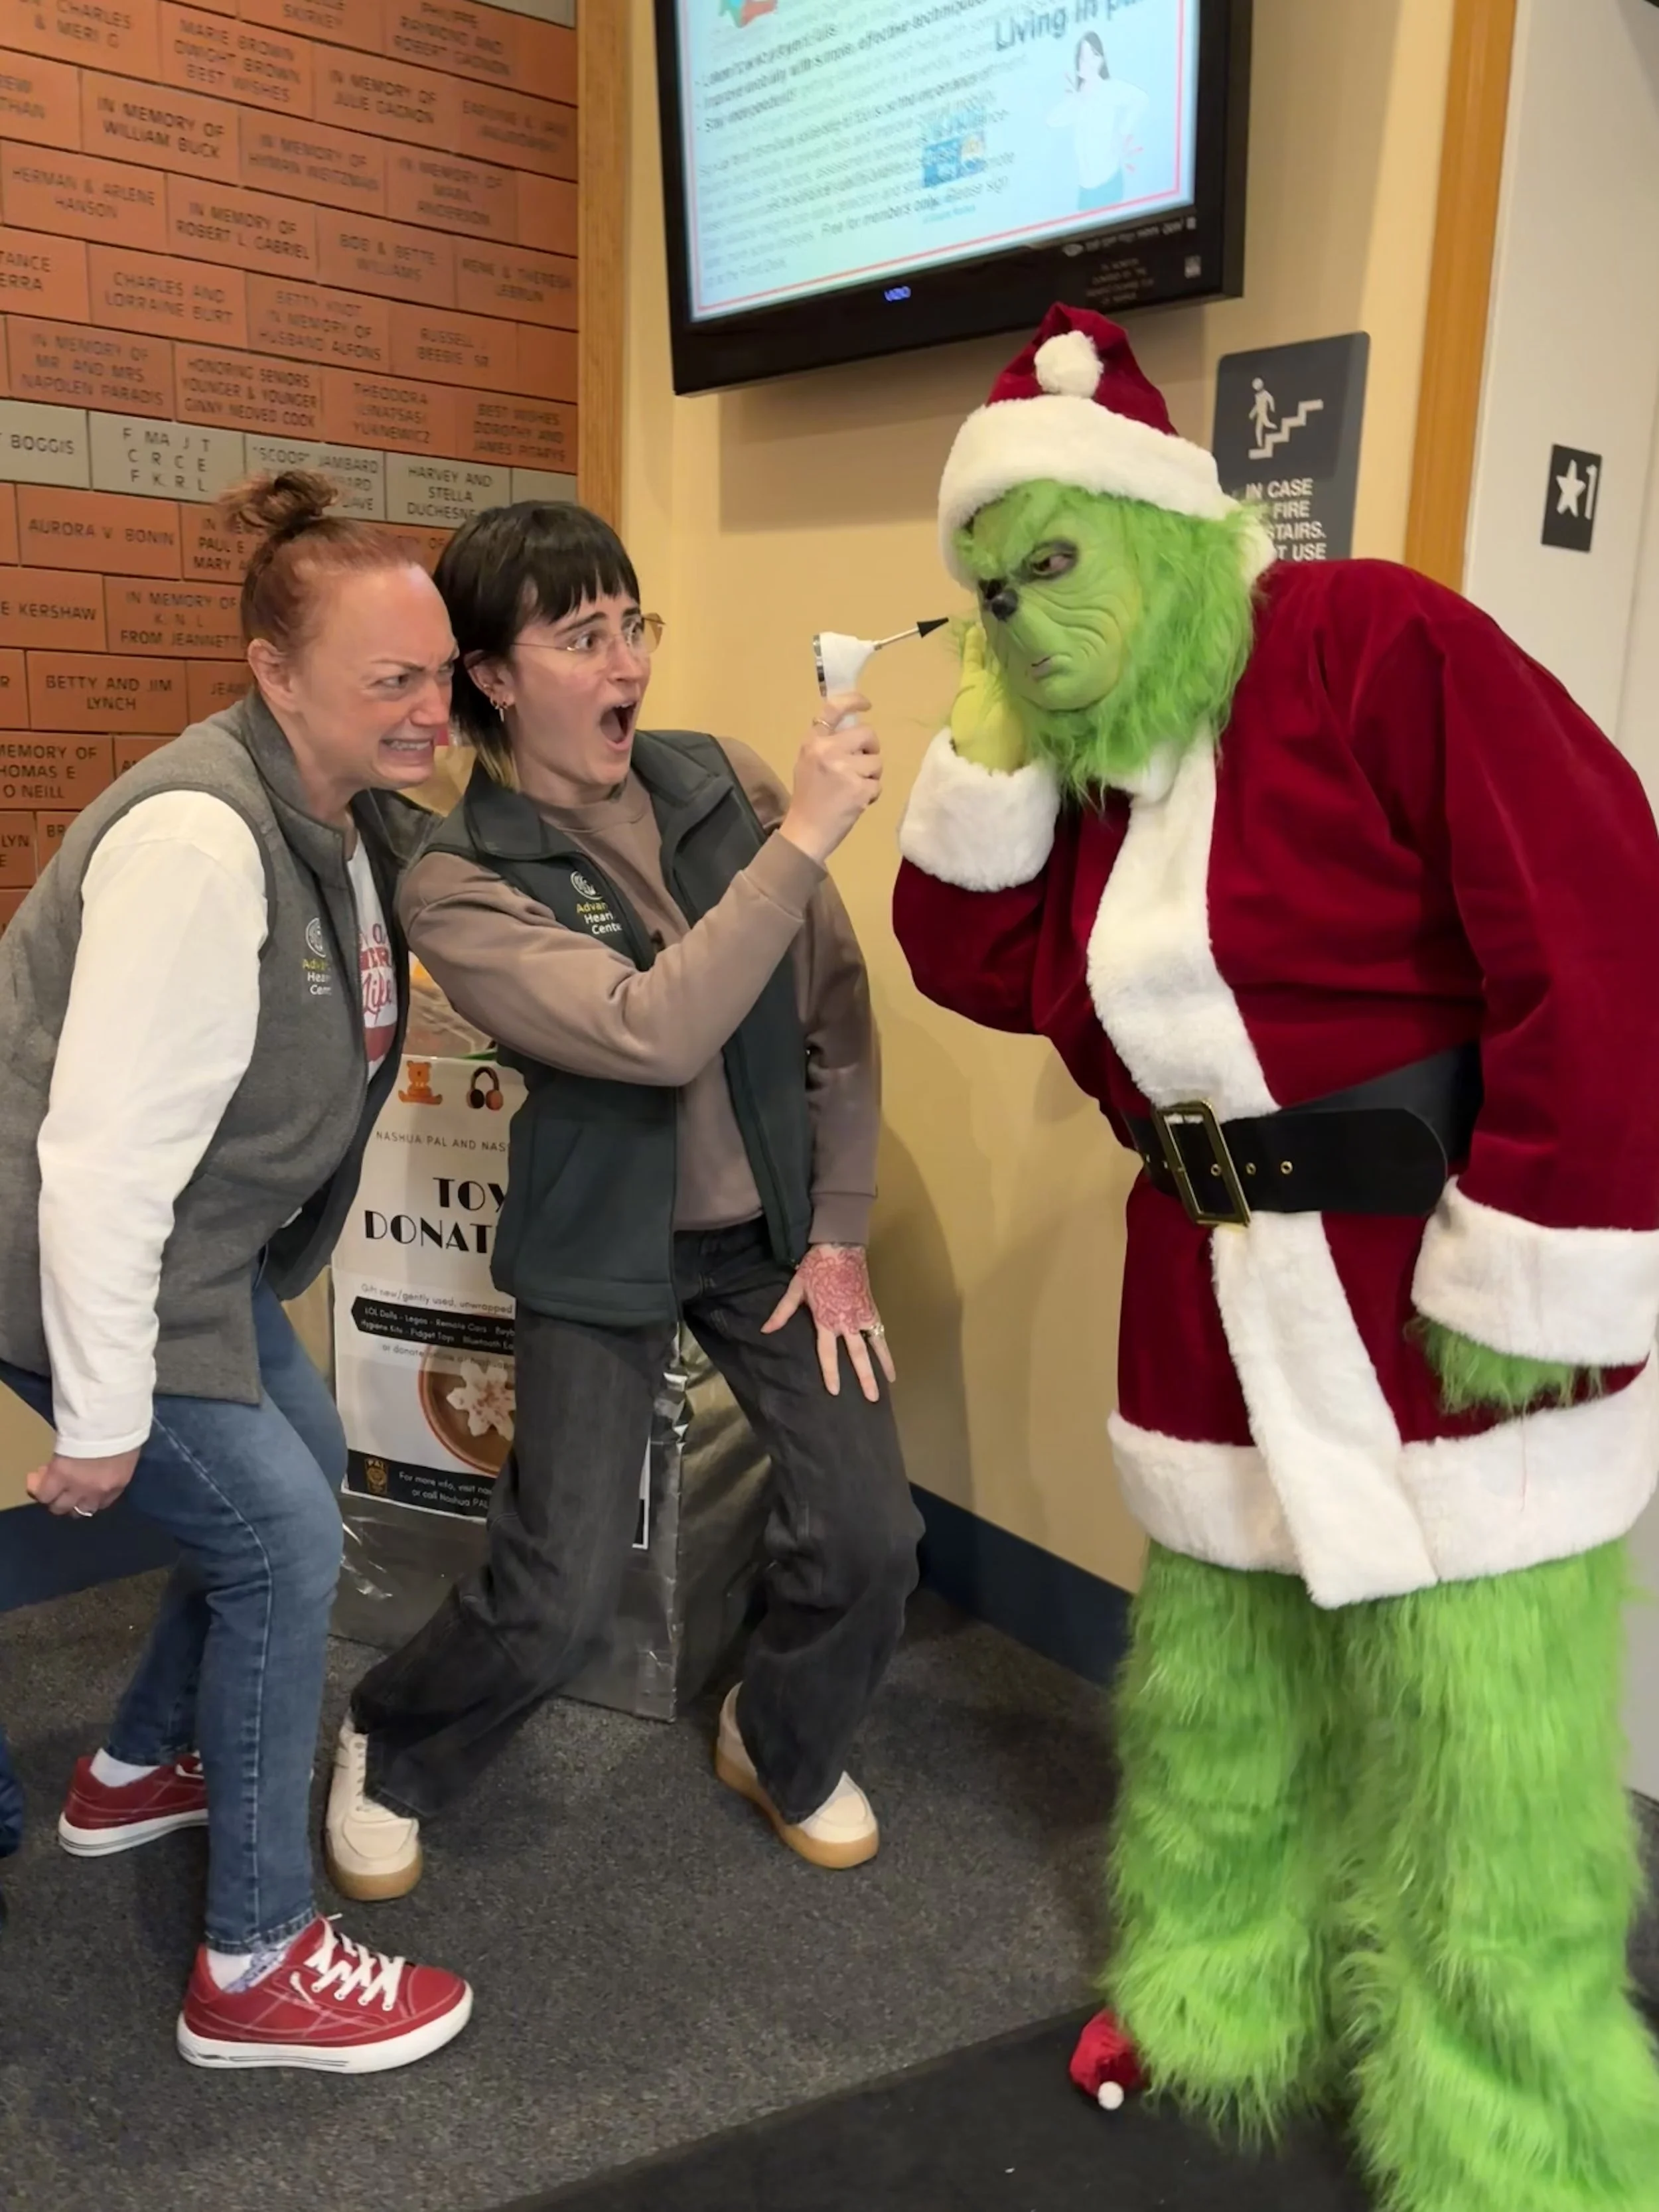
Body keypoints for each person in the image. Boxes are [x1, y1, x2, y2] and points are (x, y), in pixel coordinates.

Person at [891, 303, 1659, 2210]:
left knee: (1482, 1759)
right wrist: (992, 736)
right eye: (989, 593)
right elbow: (971, 960)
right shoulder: (1099, 757)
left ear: (1162, 528)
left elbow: (1595, 920)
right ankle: (1221, 1990)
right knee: (1225, 1705)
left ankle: (1523, 2139)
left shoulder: (1370, 641)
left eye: (1053, 563)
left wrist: (1541, 1261)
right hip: (1211, 1305)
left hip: (1438, 1295)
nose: (1024, 621)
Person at [326, 500, 922, 1897]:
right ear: (492, 676)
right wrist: (806, 839)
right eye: (582, 637)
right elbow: (652, 1031)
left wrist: (838, 1226)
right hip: (601, 1249)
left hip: (768, 1239)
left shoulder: (722, 780)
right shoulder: (458, 880)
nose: (627, 664)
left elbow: (832, 1009)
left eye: (631, 624)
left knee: (869, 1536)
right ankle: (390, 1739)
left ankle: (777, 1735)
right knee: (559, 1591)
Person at [0, 473, 472, 2073]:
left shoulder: (337, 817)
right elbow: (99, 1157)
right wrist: (102, 1415)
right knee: (276, 1537)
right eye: (389, 678)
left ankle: (140, 1765)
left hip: (192, 1259)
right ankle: (254, 1963)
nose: (428, 709)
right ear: (276, 673)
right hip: (78, 1253)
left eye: (440, 673)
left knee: (301, 1466)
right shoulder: (203, 840)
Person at [1046, 33, 1147, 213]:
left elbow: (1141, 99)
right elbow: (1053, 121)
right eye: (1083, 58)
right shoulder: (1078, 99)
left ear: (1102, 59)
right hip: (1086, 189)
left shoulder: (1110, 88)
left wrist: (1122, 133)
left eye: (1094, 56)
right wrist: (1075, 100)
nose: (1089, 63)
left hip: (1108, 181)